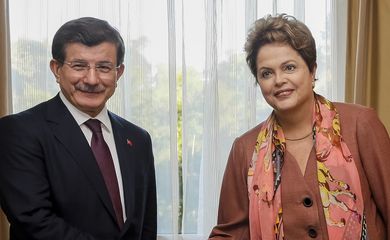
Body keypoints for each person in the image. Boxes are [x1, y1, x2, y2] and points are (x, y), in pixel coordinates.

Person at [209, 14, 390, 239]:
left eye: (289, 67)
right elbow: (230, 234)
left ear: (312, 70)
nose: (279, 80)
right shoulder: (244, 149)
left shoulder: (361, 124)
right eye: (266, 73)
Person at [0, 17, 157, 239]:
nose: (92, 79)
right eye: (79, 66)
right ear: (56, 69)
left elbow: (146, 227)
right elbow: (34, 221)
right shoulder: (19, 132)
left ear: (118, 73)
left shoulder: (138, 139)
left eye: (104, 67)